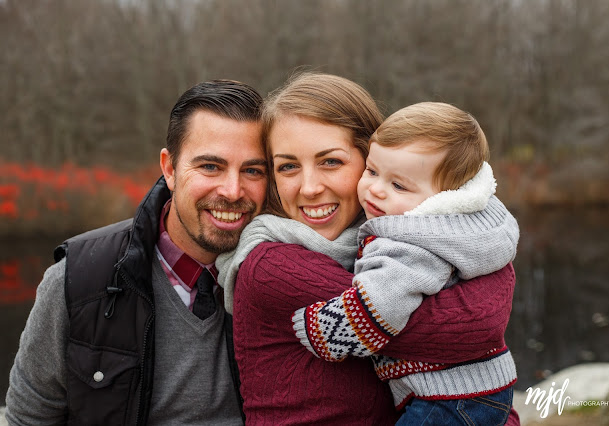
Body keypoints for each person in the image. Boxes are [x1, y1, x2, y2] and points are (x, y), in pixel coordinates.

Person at [216, 72, 521, 425]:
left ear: (371, 157)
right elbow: (474, 328)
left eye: (331, 161)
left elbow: (468, 382)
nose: (310, 187)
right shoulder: (271, 264)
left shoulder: (396, 242)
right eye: (288, 167)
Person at [5, 80, 268, 425]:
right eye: (210, 166)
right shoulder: (77, 282)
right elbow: (29, 418)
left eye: (252, 170)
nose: (233, 191)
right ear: (170, 169)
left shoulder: (284, 280)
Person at [292, 102, 519, 425]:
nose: (376, 189)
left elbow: (378, 307)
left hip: (448, 398)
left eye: (398, 185)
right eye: (372, 171)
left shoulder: (411, 243)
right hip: (481, 387)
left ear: (444, 198)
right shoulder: (466, 227)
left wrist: (319, 330)